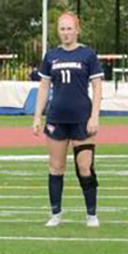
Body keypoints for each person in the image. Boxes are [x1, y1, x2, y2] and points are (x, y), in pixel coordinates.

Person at [31, 12, 104, 228]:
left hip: (82, 119)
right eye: (62, 29)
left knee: (85, 167)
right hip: (56, 119)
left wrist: (95, 116)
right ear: (58, 32)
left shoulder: (88, 55)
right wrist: (37, 116)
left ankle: (91, 214)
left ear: (77, 29)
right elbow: (44, 87)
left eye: (69, 28)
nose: (66, 33)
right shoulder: (51, 56)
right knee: (56, 167)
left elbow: (98, 88)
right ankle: (56, 214)